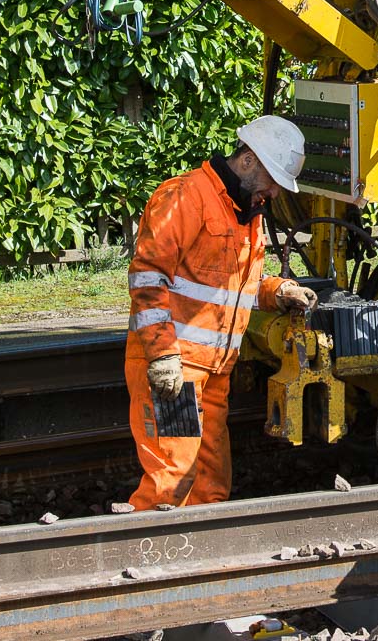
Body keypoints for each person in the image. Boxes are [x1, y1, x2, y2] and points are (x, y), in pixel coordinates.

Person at [124, 114, 319, 509]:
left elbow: (234, 283)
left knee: (211, 485)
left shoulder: (245, 212)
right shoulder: (185, 196)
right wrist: (162, 356)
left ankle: (201, 547)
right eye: (272, 181)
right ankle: (149, 546)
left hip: (214, 373)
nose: (274, 193)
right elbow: (147, 279)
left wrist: (278, 291)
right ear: (247, 160)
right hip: (178, 370)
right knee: (173, 478)